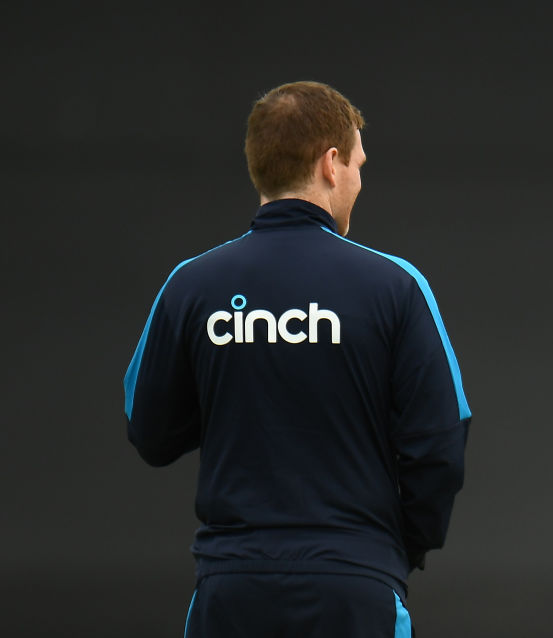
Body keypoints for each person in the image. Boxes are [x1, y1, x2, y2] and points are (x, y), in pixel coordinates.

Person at [123, 81, 471, 638]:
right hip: (356, 588)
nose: (359, 180)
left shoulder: (191, 286)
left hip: (230, 591)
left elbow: (150, 431)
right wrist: (392, 549)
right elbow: (440, 444)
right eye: (358, 164)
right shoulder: (396, 287)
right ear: (331, 164)